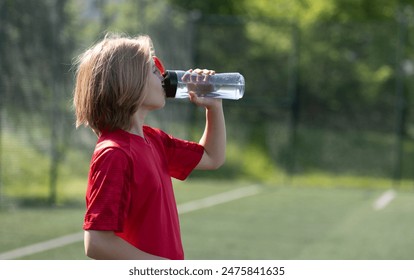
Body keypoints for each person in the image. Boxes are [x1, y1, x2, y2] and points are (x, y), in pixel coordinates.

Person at [73, 33, 226, 260]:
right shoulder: (114, 153)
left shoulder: (153, 140)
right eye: (154, 70)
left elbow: (212, 157)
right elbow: (97, 243)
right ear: (130, 83)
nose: (163, 76)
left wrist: (213, 107)